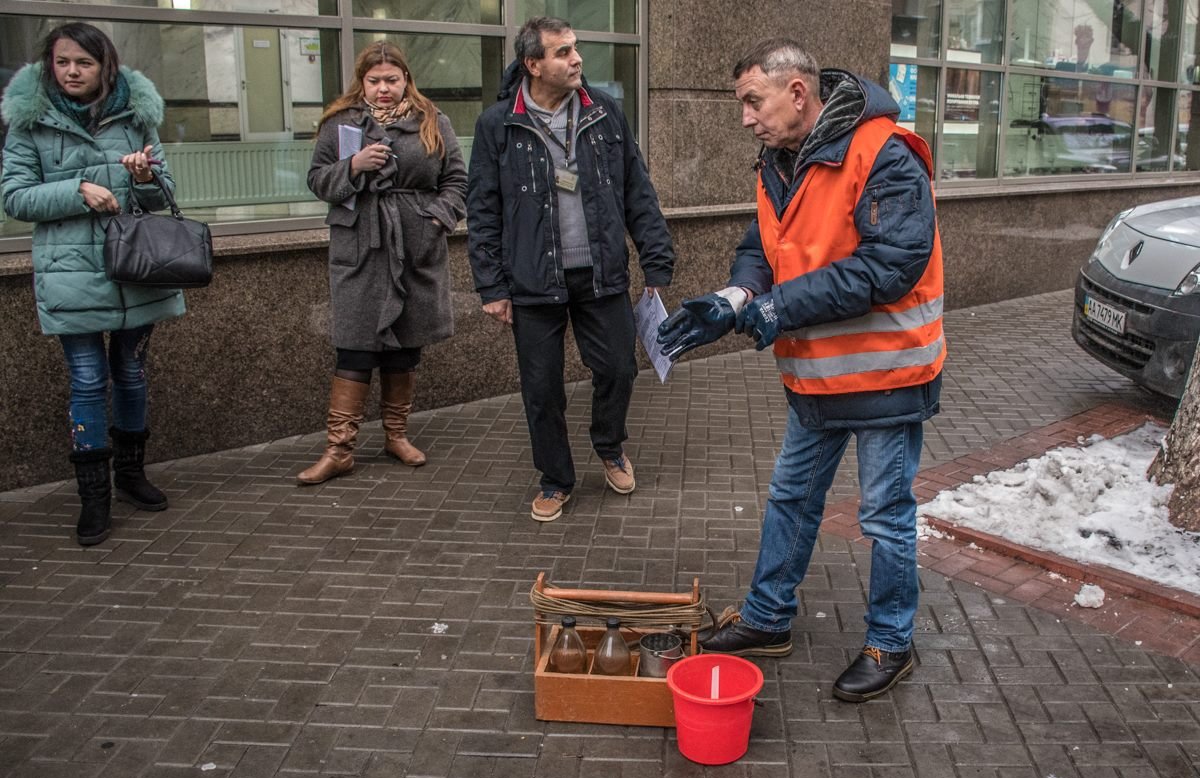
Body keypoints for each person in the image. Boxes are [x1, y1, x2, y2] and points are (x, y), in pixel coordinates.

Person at [657, 38, 945, 702]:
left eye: (752, 101)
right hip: (817, 375)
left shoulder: (884, 153)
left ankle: (890, 643)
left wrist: (778, 304)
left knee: (886, 516)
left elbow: (890, 266)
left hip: (887, 377)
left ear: (797, 92)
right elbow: (763, 244)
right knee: (791, 499)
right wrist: (734, 299)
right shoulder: (778, 159)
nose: (746, 118)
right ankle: (766, 618)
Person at [467, 16, 675, 522]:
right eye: (562, 52)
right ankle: (555, 478)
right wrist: (491, 285)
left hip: (601, 274)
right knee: (542, 389)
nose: (576, 58)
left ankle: (608, 445)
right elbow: (483, 209)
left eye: (575, 48)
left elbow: (636, 190)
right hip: (533, 280)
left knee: (619, 369)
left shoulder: (604, 112)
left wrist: (656, 259)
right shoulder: (499, 124)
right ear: (532, 64)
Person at [1, 22, 187, 547]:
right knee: (87, 381)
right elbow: (14, 198)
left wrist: (145, 177)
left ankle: (131, 476)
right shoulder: (29, 123)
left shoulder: (137, 117)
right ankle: (94, 498)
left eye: (83, 63)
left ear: (105, 66)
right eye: (63, 62)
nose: (72, 72)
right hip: (71, 274)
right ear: (49, 66)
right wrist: (78, 190)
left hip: (137, 271)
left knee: (130, 374)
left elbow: (165, 195)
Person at [299, 42, 467, 485]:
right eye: (374, 81)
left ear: (406, 79)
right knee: (353, 346)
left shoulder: (433, 121)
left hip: (415, 244)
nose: (383, 89)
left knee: (404, 347)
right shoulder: (340, 124)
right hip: (361, 247)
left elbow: (457, 182)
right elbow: (317, 181)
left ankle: (396, 435)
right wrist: (353, 165)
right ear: (362, 82)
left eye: (392, 80)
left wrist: (436, 221)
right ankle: (339, 450)